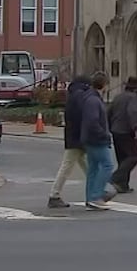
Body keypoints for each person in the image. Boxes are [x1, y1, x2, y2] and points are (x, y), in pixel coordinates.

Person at [47, 75, 90, 209]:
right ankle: (54, 195)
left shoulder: (73, 95)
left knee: (87, 166)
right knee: (67, 166)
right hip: (77, 137)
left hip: (73, 135)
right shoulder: (80, 96)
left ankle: (98, 190)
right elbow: (82, 116)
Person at [79, 71, 116, 210]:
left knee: (93, 168)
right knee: (107, 165)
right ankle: (96, 196)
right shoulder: (94, 100)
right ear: (104, 85)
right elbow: (93, 122)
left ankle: (91, 198)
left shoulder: (89, 98)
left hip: (90, 139)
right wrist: (104, 135)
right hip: (97, 139)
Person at [108, 76, 137, 193]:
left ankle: (123, 185)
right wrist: (135, 128)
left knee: (122, 159)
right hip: (126, 131)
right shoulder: (132, 97)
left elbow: (109, 112)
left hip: (115, 131)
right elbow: (132, 113)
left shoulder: (118, 97)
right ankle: (114, 178)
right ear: (136, 88)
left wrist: (110, 127)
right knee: (133, 157)